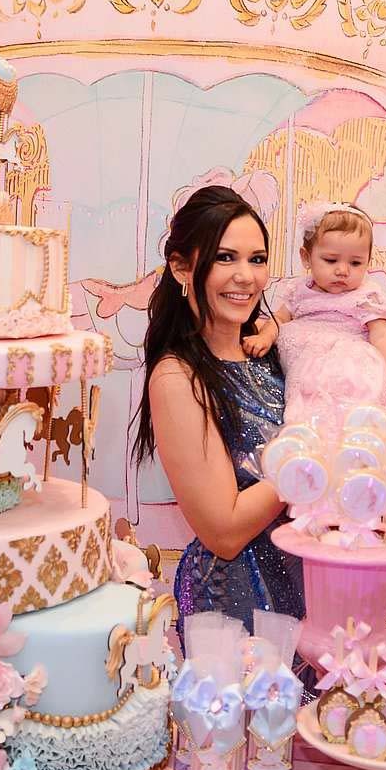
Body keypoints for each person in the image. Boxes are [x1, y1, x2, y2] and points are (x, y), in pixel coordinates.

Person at [132, 185, 304, 638]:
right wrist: (313, 460)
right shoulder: (178, 377)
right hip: (237, 604)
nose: (246, 276)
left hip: (308, 585)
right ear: (182, 267)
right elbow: (223, 530)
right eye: (225, 258)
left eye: (257, 259)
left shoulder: (274, 354)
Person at [242, 200, 386, 491]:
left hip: (351, 369)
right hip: (309, 374)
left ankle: (356, 457)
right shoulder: (298, 291)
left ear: (368, 262)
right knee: (308, 415)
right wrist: (264, 337)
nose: (343, 271)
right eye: (331, 260)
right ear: (306, 257)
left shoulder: (364, 296)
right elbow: (278, 319)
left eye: (355, 263)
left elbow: (382, 335)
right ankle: (312, 460)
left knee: (358, 415)